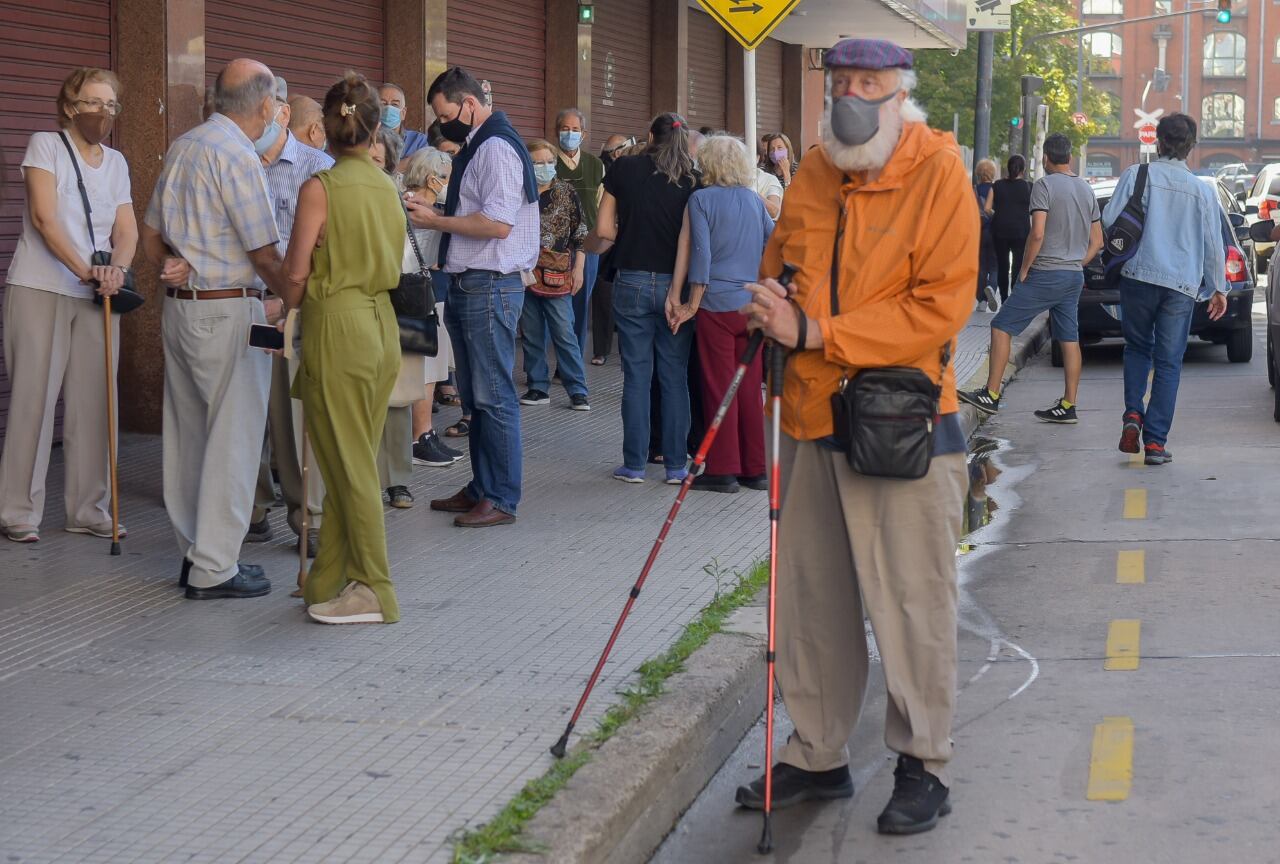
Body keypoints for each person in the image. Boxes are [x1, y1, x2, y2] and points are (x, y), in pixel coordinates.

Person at [733, 38, 976, 836]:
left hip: (898, 420)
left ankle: (923, 761)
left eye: (867, 83)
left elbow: (938, 310)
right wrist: (768, 304)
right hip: (809, 416)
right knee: (812, 598)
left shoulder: (939, 172)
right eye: (839, 81)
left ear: (899, 93)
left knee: (911, 599)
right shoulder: (812, 168)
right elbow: (784, 262)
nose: (850, 94)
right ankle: (818, 751)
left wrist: (816, 329)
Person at [141, 58, 289, 600]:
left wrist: (179, 264)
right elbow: (266, 253)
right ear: (265, 105)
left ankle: (194, 554)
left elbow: (151, 234)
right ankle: (215, 567)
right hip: (228, 309)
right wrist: (297, 297)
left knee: (187, 437)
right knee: (235, 439)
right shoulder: (238, 156)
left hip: (180, 308)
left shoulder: (185, 144)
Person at [279, 71, 404, 625]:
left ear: (324, 132)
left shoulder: (320, 188)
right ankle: (329, 576)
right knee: (346, 456)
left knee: (347, 463)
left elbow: (295, 275)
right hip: (382, 324)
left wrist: (281, 290)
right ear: (375, 127)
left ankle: (374, 586)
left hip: (339, 326)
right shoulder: (385, 184)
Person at [0, 67, 136, 544]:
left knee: (96, 403)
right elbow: (43, 217)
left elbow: (127, 229)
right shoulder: (45, 145)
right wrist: (86, 269)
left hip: (98, 294)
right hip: (41, 286)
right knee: (33, 402)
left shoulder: (117, 162)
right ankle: (18, 510)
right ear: (70, 105)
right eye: (93, 102)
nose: (102, 112)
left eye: (111, 104)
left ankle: (88, 507)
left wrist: (116, 269)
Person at [408, 65, 539, 528]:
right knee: (475, 395)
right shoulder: (481, 143)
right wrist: (438, 211)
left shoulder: (497, 147)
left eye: (446, 115)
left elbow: (497, 224)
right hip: (473, 282)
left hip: (489, 284)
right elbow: (477, 213)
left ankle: (501, 497)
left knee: (493, 394)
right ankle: (483, 487)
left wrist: (434, 222)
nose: (443, 124)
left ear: (468, 104)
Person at [247, 76, 334, 559]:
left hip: (290, 307)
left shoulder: (317, 168)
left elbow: (324, 250)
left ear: (279, 114)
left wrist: (288, 301)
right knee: (248, 415)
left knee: (293, 415)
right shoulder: (236, 162)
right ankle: (253, 509)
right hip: (242, 302)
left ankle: (308, 517)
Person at [587, 113, 699, 485]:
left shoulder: (624, 168)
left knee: (636, 375)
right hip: (677, 289)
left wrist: (631, 236)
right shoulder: (694, 179)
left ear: (650, 136)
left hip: (631, 280)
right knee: (674, 375)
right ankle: (675, 466)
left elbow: (603, 230)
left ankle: (634, 464)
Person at [960, 133, 1103, 425]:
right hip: (1073, 276)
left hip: (1046, 273)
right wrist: (1076, 263)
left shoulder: (1043, 186)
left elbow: (1037, 233)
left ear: (1046, 159)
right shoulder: (1086, 189)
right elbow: (1097, 241)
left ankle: (991, 394)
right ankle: (1068, 404)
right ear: (1070, 157)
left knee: (1001, 326)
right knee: (1069, 338)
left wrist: (1024, 269)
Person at [1109, 113, 1227, 465]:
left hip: (1138, 276)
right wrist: (1218, 287)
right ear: (1191, 148)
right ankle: (1156, 442)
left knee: (1136, 349)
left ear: (1158, 143)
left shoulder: (1135, 175)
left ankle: (1133, 414)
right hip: (1180, 285)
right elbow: (1212, 243)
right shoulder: (1201, 191)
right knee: (1169, 362)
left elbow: (1109, 221)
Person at [669, 135, 772, 494]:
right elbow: (771, 245)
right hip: (750, 303)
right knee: (748, 387)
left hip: (716, 302)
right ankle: (756, 468)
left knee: (717, 386)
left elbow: (702, 253)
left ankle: (723, 469)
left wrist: (690, 302)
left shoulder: (701, 199)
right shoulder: (755, 201)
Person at [400, 147, 465, 468]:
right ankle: (418, 436)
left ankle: (424, 434)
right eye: (447, 179)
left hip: (431, 293)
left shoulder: (432, 205)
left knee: (433, 368)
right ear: (432, 178)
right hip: (416, 293)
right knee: (424, 368)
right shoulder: (410, 204)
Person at [521, 138, 590, 410]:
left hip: (558, 272)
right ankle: (538, 386)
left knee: (564, 331)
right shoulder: (520, 190)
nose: (545, 167)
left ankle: (578, 390)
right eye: (538, 162)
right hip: (524, 271)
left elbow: (580, 234)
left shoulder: (566, 191)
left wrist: (579, 269)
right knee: (531, 332)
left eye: (549, 162)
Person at [369, 125, 415, 508]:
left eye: (376, 158)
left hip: (394, 303)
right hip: (354, 307)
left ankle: (397, 479)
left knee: (396, 399)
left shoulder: (397, 197)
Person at [554, 108, 606, 358]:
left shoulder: (596, 165)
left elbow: (601, 206)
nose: (570, 134)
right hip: (552, 246)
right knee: (549, 303)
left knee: (580, 303)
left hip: (586, 247)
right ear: (556, 131)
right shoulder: (547, 161)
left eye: (575, 130)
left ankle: (571, 364)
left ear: (584, 134)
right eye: (565, 128)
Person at [588, 133, 638, 366]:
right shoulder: (606, 172)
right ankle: (604, 349)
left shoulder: (623, 172)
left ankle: (608, 349)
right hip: (613, 238)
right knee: (605, 294)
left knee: (611, 294)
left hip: (618, 237)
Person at [991, 154, 1032, 304]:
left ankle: (1003, 298)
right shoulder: (1029, 187)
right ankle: (1013, 299)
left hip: (999, 229)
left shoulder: (998, 185)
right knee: (1017, 264)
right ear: (1023, 169)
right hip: (1021, 231)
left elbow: (989, 207)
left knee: (1002, 265)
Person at [377, 82, 429, 161]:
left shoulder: (418, 141)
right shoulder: (365, 140)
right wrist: (409, 162)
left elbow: (424, 167)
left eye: (394, 104)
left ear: (403, 113)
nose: (388, 108)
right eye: (383, 103)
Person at [973, 158, 998, 312]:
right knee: (995, 266)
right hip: (994, 231)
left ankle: (981, 301)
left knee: (980, 266)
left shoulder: (974, 189)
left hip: (978, 232)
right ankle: (992, 288)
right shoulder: (996, 189)